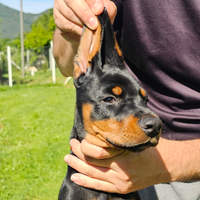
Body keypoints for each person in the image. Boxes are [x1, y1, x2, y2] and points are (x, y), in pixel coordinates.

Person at [53, 0, 200, 199]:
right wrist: (71, 27)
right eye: (110, 99)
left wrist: (168, 164)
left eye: (143, 101)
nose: (152, 119)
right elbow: (63, 63)